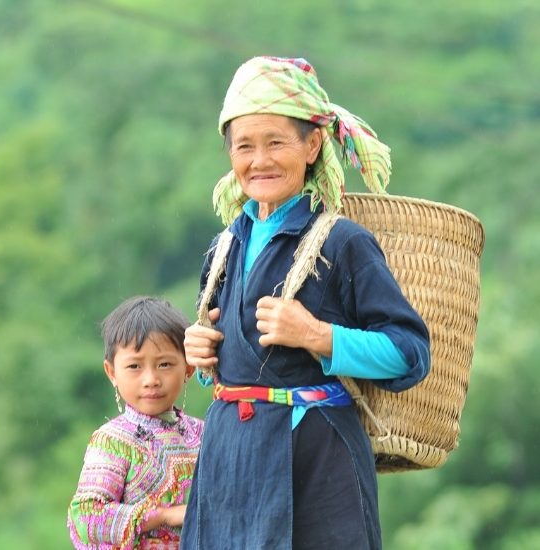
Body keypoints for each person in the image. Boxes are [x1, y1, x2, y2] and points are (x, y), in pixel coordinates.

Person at [181, 56, 430, 550]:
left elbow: (410, 353)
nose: (260, 160)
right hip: (230, 461)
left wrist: (315, 335)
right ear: (229, 153)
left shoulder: (342, 243)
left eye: (277, 142)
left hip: (316, 461)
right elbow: (238, 363)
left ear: (312, 145)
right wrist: (203, 354)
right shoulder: (225, 245)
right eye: (245, 146)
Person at [68, 296, 204, 549]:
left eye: (164, 364)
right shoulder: (113, 441)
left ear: (188, 368)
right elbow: (86, 517)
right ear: (112, 373)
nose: (151, 379)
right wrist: (164, 515)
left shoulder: (203, 434)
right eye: (134, 366)